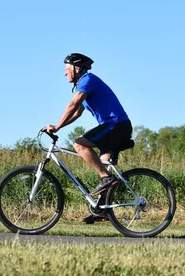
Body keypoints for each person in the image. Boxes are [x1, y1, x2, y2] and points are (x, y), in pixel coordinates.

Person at [43, 53, 133, 222]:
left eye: (66, 69)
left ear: (77, 69)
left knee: (79, 144)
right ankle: (103, 210)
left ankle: (106, 178)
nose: (64, 73)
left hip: (116, 125)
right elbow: (77, 112)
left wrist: (55, 126)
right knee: (103, 164)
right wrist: (59, 127)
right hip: (115, 126)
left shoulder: (87, 80)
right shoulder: (83, 84)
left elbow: (72, 105)